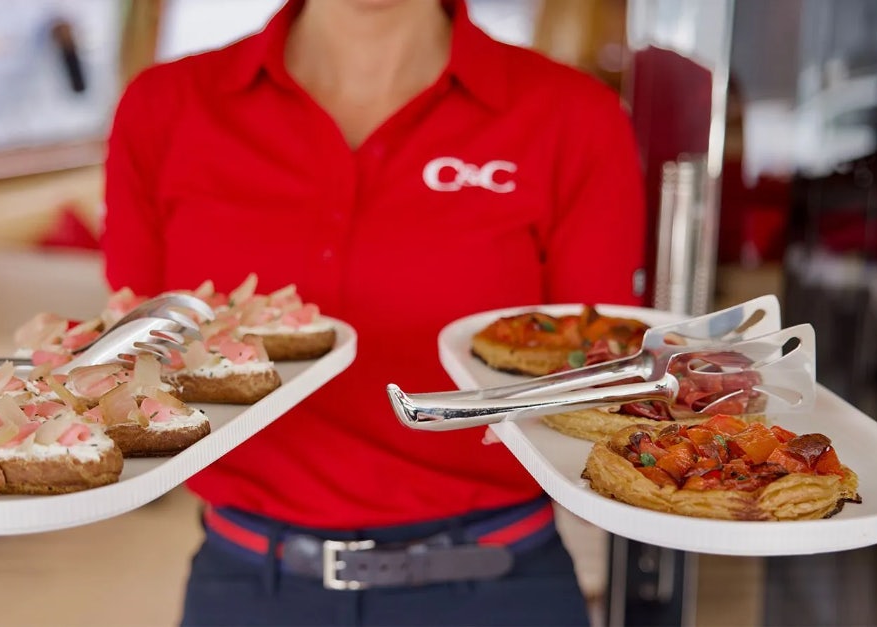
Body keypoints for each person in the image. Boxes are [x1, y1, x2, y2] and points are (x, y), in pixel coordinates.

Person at [102, 0, 646, 625]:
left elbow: (598, 381)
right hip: (248, 585)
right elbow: (136, 362)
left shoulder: (574, 116)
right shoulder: (164, 106)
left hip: (497, 586)